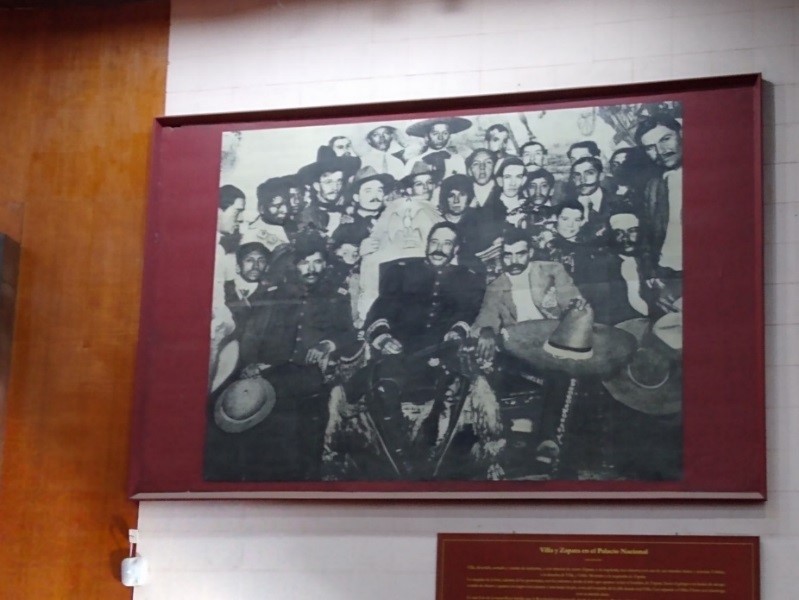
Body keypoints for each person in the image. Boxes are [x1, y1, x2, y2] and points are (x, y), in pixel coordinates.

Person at [212, 232, 358, 481]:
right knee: (269, 437)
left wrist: (327, 345)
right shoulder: (274, 295)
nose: (311, 268)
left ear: (325, 263)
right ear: (294, 264)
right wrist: (250, 365)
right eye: (304, 262)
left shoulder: (336, 298)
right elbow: (251, 335)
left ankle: (306, 484)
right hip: (271, 373)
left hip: (310, 375)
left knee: (307, 438)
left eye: (318, 261)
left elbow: (349, 335)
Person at [365, 222, 485, 356]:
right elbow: (381, 309)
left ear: (456, 249)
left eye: (447, 243)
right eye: (434, 242)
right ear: (427, 244)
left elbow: (469, 311)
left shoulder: (467, 278)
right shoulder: (401, 272)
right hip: (400, 351)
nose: (438, 249)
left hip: (443, 351)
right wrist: (384, 339)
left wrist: (457, 331)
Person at [635, 115, 683, 274]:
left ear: (682, 134)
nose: (661, 151)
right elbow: (647, 234)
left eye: (666, 139)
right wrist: (651, 273)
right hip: (667, 270)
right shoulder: (653, 186)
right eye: (650, 147)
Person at [297, 149, 361, 237]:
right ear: (317, 186)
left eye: (339, 181)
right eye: (328, 182)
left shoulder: (349, 211)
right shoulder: (306, 216)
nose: (335, 187)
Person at [405, 117, 471, 176]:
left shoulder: (457, 160)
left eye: (445, 133)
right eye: (435, 133)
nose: (440, 138)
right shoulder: (414, 162)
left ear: (449, 135)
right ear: (426, 136)